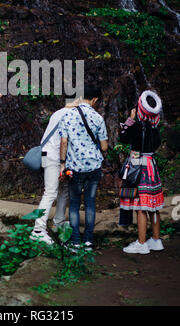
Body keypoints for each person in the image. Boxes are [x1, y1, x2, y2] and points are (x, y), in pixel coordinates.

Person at [58, 85, 108, 251]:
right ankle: (88, 241)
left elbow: (64, 142)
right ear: (94, 100)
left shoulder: (68, 115)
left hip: (75, 167)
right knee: (90, 204)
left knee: (73, 204)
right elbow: (105, 146)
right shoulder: (98, 118)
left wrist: (63, 163)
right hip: (93, 167)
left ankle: (75, 241)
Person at [30, 97, 82, 245]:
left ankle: (58, 223)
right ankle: (38, 230)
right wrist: (62, 164)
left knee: (63, 189)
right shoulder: (70, 115)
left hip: (48, 155)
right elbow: (64, 141)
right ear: (77, 100)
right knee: (51, 192)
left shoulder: (57, 113)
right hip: (55, 157)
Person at [119, 90, 164, 255]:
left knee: (140, 206)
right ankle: (156, 240)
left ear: (140, 109)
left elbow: (123, 138)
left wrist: (130, 119)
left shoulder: (137, 126)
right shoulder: (155, 128)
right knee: (153, 206)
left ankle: (141, 243)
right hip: (152, 165)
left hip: (139, 167)